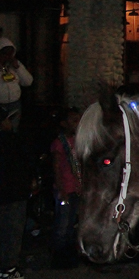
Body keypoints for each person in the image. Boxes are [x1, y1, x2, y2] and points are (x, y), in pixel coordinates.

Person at [0, 111, 32, 279]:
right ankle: (8, 268)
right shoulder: (12, 141)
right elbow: (24, 163)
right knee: (11, 231)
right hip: (13, 193)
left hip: (10, 192)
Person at [50, 108, 82, 268]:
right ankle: (58, 256)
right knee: (62, 223)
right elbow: (56, 168)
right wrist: (61, 189)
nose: (77, 124)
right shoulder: (59, 143)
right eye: (74, 121)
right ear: (64, 123)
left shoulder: (76, 140)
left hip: (76, 187)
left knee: (71, 223)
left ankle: (68, 255)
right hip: (65, 188)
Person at [0, 37, 33, 132]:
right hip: (1, 105)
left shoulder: (15, 66)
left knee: (13, 130)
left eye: (10, 54)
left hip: (14, 105)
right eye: (4, 54)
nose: (7, 57)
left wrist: (17, 67)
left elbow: (28, 82)